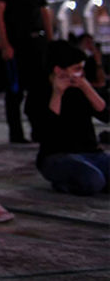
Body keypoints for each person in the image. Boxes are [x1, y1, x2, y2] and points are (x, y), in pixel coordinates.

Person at [0, 0, 54, 144]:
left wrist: (50, 41)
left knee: (41, 90)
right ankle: (16, 133)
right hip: (16, 43)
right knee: (15, 91)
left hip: (38, 42)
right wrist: (5, 44)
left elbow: (44, 12)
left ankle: (40, 130)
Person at [35, 41, 109, 195]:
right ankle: (64, 183)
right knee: (94, 181)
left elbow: (105, 114)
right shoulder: (41, 92)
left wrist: (86, 87)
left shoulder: (80, 87)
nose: (81, 74)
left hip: (91, 153)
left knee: (98, 177)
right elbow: (46, 132)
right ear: (58, 70)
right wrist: (58, 94)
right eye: (77, 69)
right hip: (57, 156)